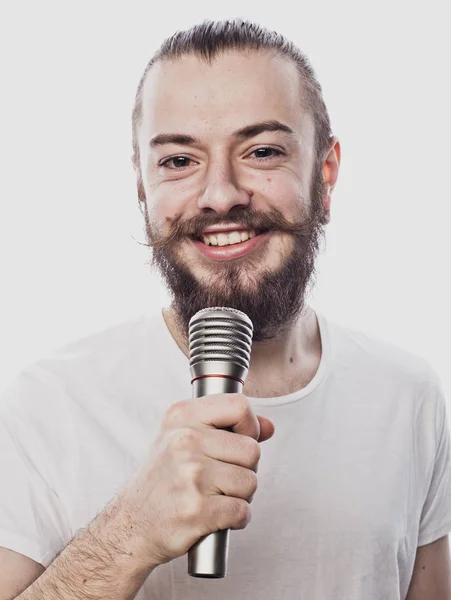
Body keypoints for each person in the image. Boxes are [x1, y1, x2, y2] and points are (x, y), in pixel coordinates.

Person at [0, 18, 450, 600]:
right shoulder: (45, 407)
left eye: (262, 151)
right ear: (142, 187)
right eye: (179, 161)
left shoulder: (409, 396)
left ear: (326, 175)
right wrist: (130, 532)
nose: (220, 194)